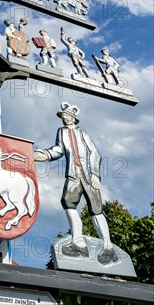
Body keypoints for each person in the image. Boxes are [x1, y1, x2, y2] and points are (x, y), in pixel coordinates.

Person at [34, 102, 118, 265]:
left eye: (66, 115)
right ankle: (78, 243)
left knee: (96, 209)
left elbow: (95, 152)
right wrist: (44, 154)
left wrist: (95, 174)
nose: (64, 118)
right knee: (68, 202)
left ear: (73, 117)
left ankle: (108, 247)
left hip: (87, 174)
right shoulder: (61, 132)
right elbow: (58, 150)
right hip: (73, 174)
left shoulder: (83, 134)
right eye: (62, 116)